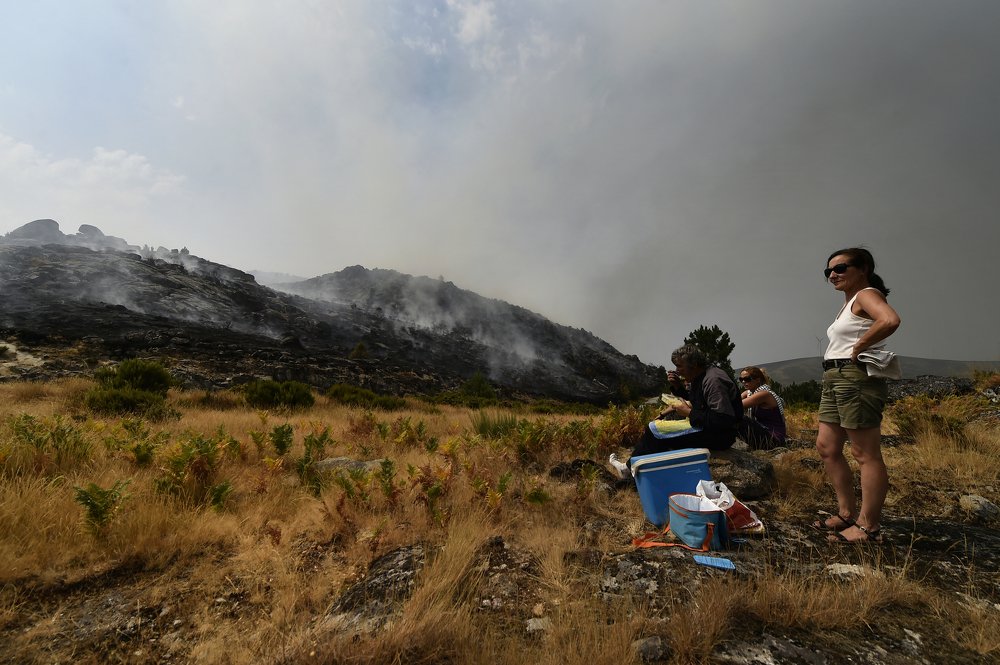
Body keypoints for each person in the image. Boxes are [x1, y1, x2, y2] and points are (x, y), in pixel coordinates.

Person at [814, 247, 900, 544]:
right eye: (829, 271)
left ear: (862, 268)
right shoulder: (850, 301)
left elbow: (889, 320)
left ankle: (868, 527)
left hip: (854, 379)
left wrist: (860, 345)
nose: (833, 275)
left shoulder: (867, 294)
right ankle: (847, 513)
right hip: (835, 377)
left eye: (840, 268)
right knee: (827, 447)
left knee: (865, 454)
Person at [609, 344, 743, 478]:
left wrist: (689, 413)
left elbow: (723, 420)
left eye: (679, 366)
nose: (677, 370)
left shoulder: (713, 380)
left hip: (720, 436)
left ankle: (628, 471)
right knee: (657, 431)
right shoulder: (702, 376)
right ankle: (641, 472)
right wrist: (678, 387)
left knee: (655, 430)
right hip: (711, 429)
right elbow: (699, 402)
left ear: (694, 364)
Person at [736, 366, 786, 450]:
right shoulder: (749, 393)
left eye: (747, 379)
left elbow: (736, 405)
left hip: (773, 439)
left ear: (758, 380)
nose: (744, 382)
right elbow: (734, 401)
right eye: (741, 379)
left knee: (737, 418)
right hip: (764, 433)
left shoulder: (764, 394)